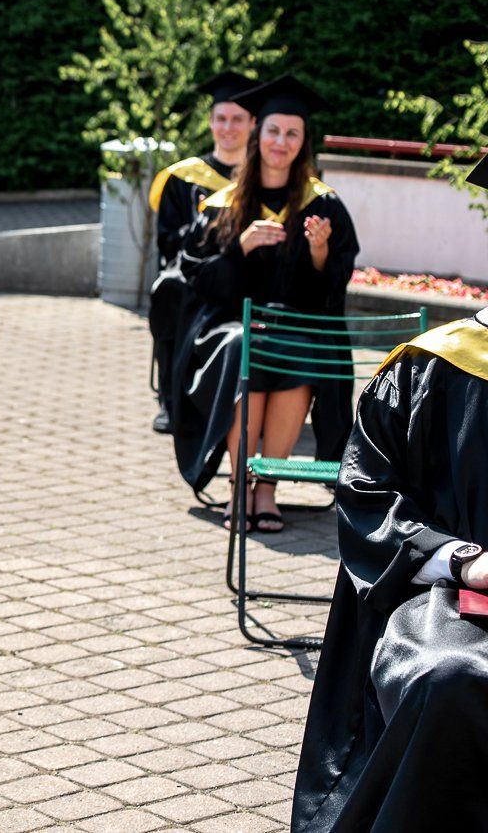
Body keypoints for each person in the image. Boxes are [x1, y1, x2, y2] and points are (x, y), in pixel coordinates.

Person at [293, 161, 488, 831]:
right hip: (454, 606)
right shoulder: (430, 369)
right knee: (451, 678)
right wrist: (464, 561)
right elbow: (366, 497)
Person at [169, 75, 359, 531]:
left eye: (292, 133)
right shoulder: (223, 205)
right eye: (273, 131)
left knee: (300, 349)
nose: (281, 142)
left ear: (303, 142)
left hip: (296, 324)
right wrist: (241, 248)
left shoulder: (324, 205)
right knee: (243, 347)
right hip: (231, 324)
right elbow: (198, 278)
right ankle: (240, 486)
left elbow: (332, 288)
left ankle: (266, 489)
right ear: (258, 135)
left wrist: (319, 252)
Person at [146, 71, 257, 434]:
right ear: (210, 123)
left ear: (252, 124)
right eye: (221, 119)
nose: (228, 128)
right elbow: (167, 242)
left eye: (237, 119)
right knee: (169, 290)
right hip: (194, 275)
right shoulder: (183, 178)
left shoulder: (263, 180)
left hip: (246, 275)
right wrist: (205, 231)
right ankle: (171, 400)